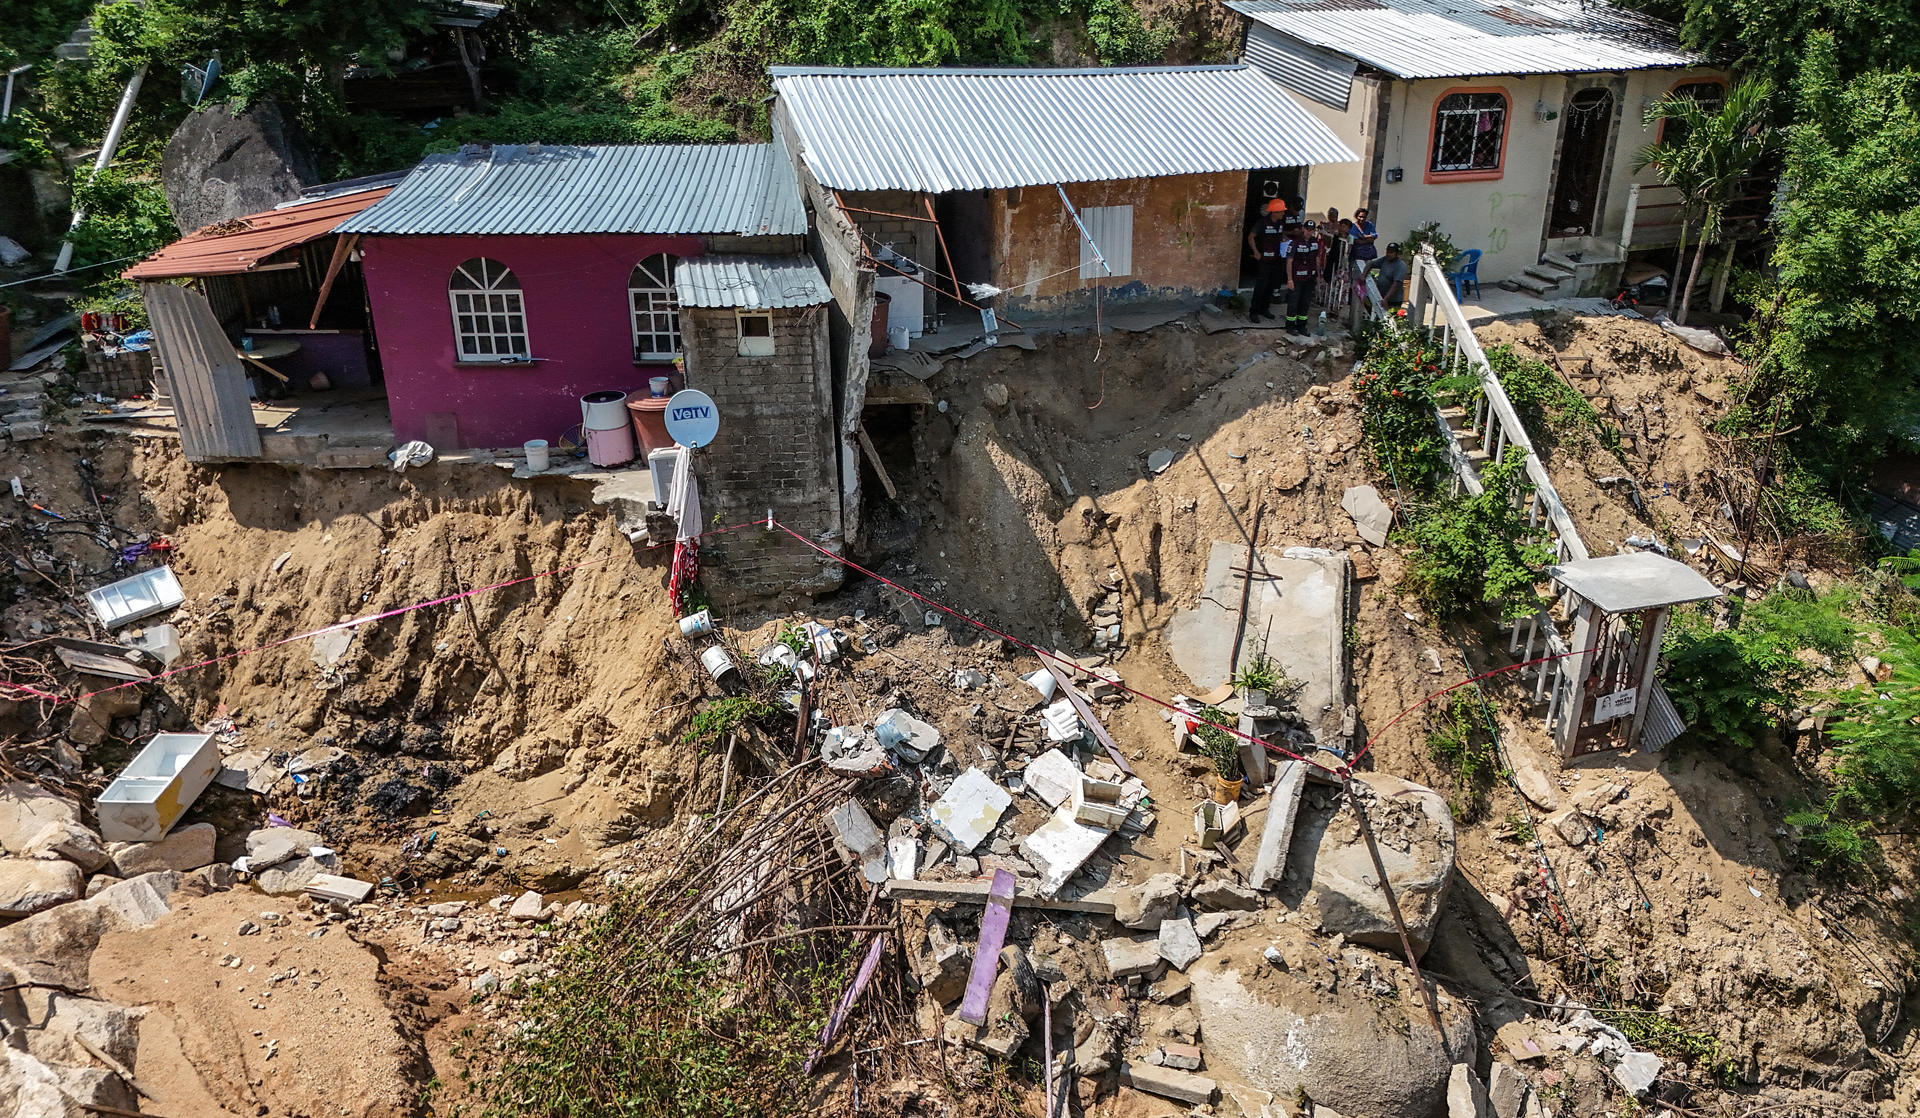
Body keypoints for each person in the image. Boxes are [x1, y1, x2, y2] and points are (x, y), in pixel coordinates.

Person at [1245, 199, 1288, 323]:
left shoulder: (1280, 223)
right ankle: (1254, 312)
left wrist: (1286, 241)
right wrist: (1256, 252)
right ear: (1274, 212)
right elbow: (1251, 237)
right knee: (1261, 286)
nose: (1283, 214)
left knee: (1271, 285)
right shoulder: (1262, 223)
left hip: (1277, 259)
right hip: (1264, 259)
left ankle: (1265, 309)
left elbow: (1281, 235)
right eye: (1281, 211)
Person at [1285, 220, 1325, 334]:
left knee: (1305, 303)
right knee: (1293, 302)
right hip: (1296, 278)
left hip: (1310, 278)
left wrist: (1318, 275)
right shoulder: (1295, 242)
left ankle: (1302, 326)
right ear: (1303, 229)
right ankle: (1290, 326)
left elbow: (1317, 259)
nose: (1309, 232)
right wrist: (1289, 279)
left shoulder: (1315, 242)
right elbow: (1289, 261)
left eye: (1312, 230)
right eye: (1307, 229)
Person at [1366, 242, 1409, 308]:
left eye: (1391, 252)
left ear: (1396, 253)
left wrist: (1386, 299)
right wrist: (1363, 275)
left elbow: (1396, 284)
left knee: (1390, 317)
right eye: (1387, 251)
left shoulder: (1400, 265)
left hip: (1393, 300)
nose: (1388, 254)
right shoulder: (1384, 260)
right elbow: (1370, 264)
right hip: (1381, 297)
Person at [1349, 206, 1378, 274]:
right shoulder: (1352, 226)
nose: (1362, 219)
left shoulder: (1370, 225)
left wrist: (1363, 237)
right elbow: (1356, 241)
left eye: (1364, 217)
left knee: (1366, 273)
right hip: (1356, 255)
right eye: (1360, 216)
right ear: (1356, 216)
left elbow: (1374, 236)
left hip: (1368, 255)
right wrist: (1368, 239)